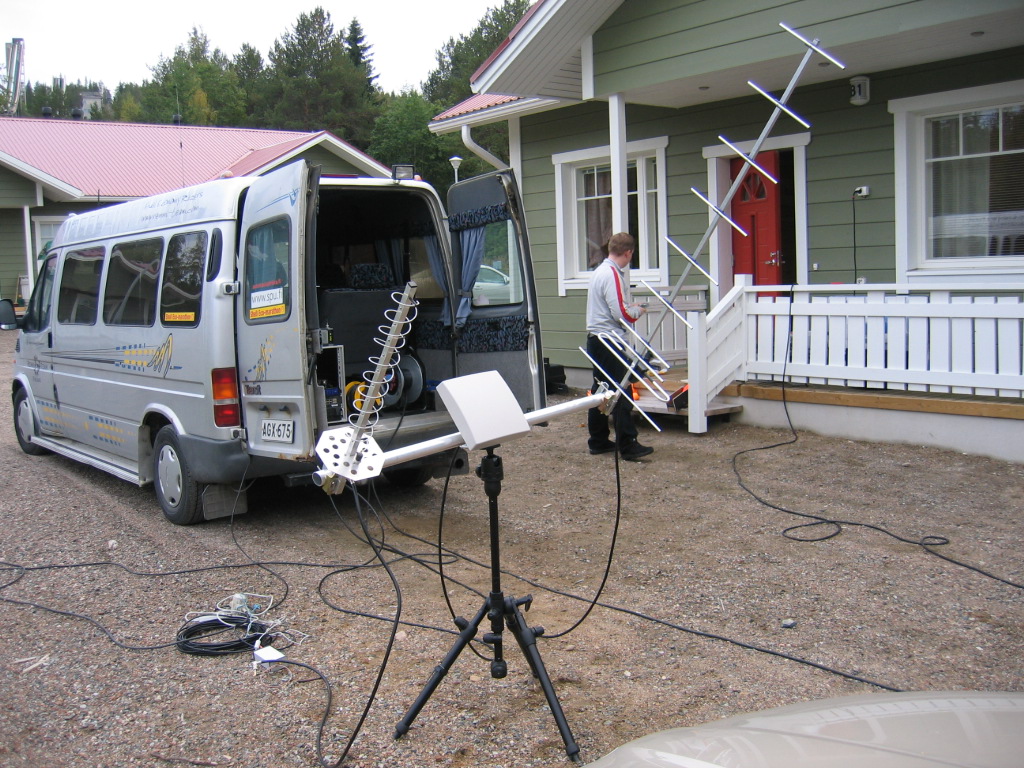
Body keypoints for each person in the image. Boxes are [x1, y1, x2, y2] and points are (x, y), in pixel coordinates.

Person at [585, 232, 654, 461]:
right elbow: (621, 314)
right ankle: (628, 444)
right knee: (621, 389)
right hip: (608, 340)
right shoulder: (612, 273)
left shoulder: (599, 271)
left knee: (601, 390)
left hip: (596, 339)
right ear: (628, 253)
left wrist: (628, 306)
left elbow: (612, 306)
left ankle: (598, 440)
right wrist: (638, 310)